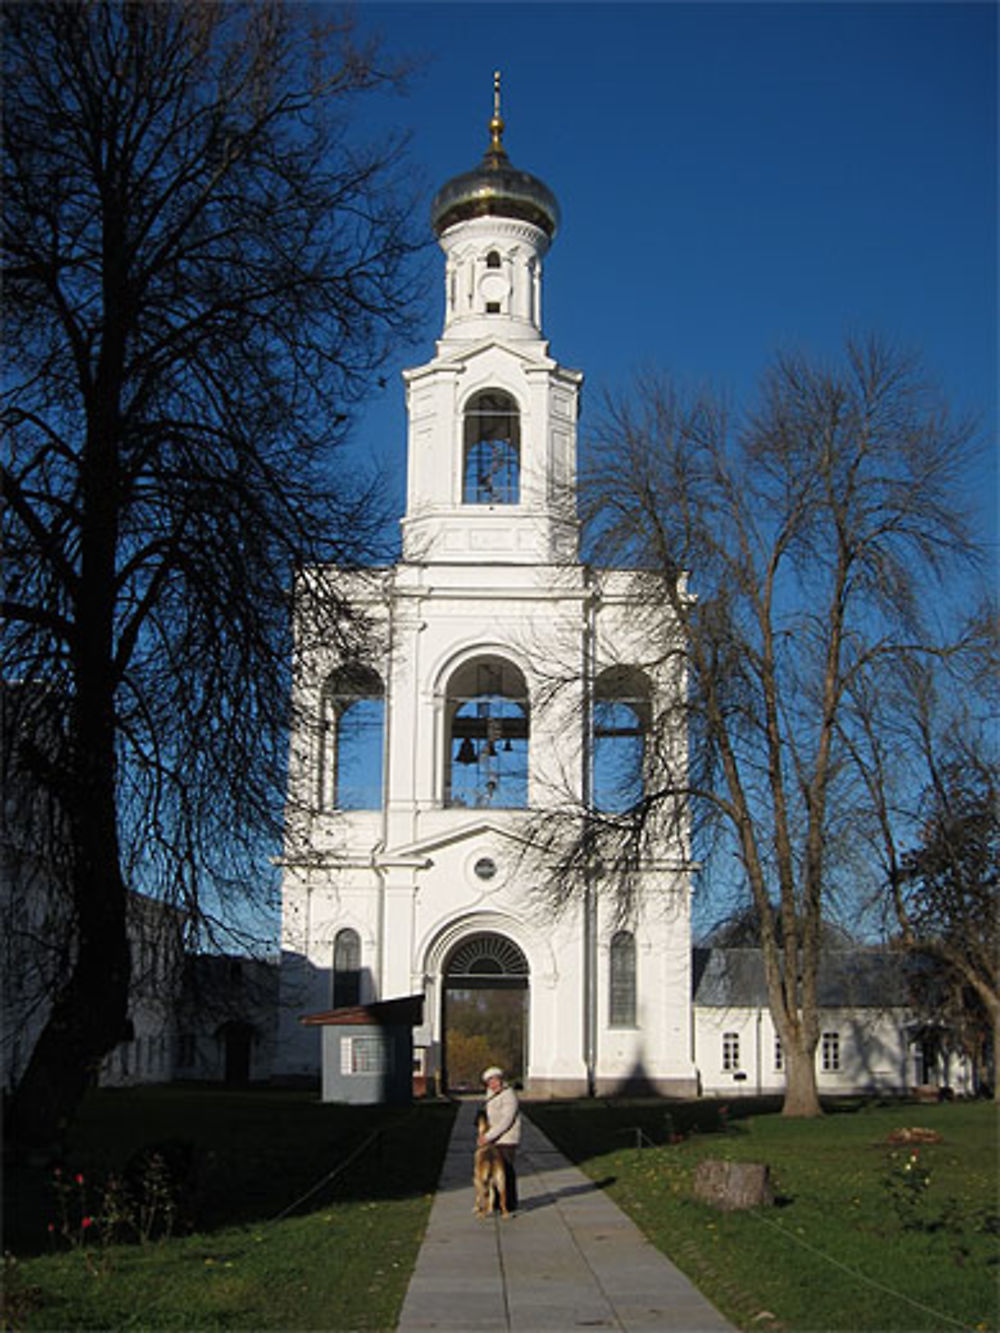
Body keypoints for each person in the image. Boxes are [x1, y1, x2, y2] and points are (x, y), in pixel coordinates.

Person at [478, 1065, 521, 1212]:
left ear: (501, 1080)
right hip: (494, 1138)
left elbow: (506, 1121)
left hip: (507, 1139)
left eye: (495, 1080)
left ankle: (509, 1203)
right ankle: (496, 1202)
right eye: (489, 1082)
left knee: (506, 1171)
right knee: (493, 1172)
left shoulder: (509, 1095)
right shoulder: (490, 1094)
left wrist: (488, 1136)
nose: (492, 1084)